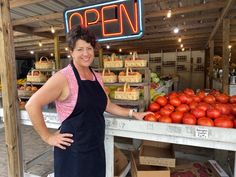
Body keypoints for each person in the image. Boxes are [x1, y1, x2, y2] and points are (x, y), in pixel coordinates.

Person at [25, 25, 150, 177]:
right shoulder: (63, 77)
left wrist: (132, 113)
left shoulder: (97, 77)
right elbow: (32, 104)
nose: (86, 53)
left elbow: (106, 105)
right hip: (73, 152)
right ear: (71, 52)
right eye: (80, 49)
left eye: (89, 48)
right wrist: (48, 136)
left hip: (96, 147)